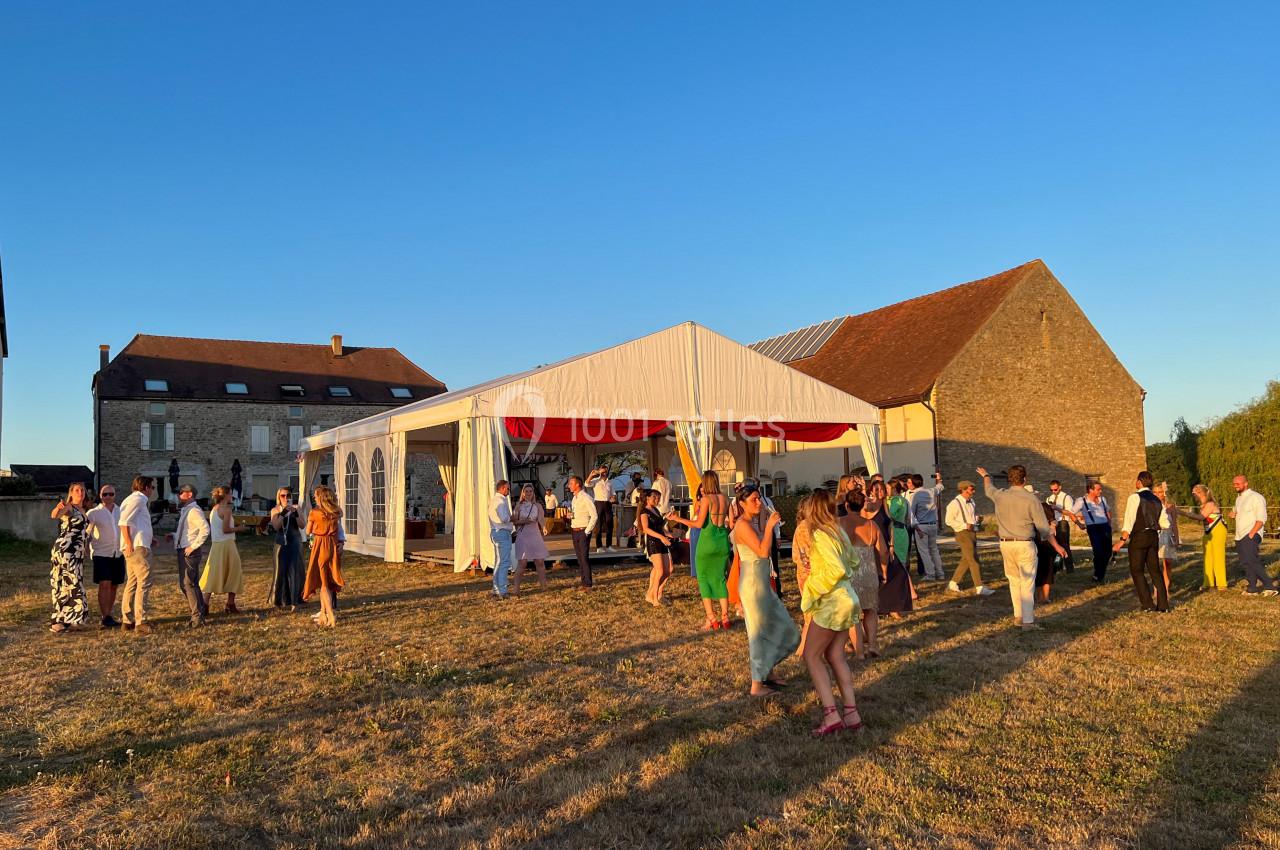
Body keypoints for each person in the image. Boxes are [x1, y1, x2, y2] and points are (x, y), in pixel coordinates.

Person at [799, 488, 863, 734]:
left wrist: (813, 586)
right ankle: (851, 711)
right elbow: (853, 562)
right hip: (848, 598)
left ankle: (831, 714)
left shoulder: (820, 535)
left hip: (832, 601)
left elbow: (834, 569)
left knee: (811, 656)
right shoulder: (838, 532)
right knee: (836, 655)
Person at [978, 465, 1066, 629]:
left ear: (1009, 479)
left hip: (1005, 544)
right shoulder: (1031, 499)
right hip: (1025, 543)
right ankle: (1027, 621)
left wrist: (986, 475)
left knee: (1013, 581)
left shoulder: (1000, 495)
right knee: (1027, 583)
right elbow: (1044, 529)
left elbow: (988, 488)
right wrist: (1057, 546)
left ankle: (1018, 616)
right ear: (1025, 479)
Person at [732, 482, 800, 696]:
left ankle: (768, 672)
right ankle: (756, 685)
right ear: (742, 503)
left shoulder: (753, 521)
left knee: (778, 624)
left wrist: (769, 524)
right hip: (752, 584)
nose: (759, 502)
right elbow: (762, 552)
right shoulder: (742, 525)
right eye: (753, 499)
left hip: (760, 581)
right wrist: (770, 527)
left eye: (759, 498)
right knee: (758, 632)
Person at [667, 471, 731, 629]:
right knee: (721, 579)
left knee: (703, 578)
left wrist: (677, 519)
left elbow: (698, 524)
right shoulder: (726, 498)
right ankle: (725, 616)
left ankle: (711, 618)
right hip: (722, 541)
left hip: (707, 541)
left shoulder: (706, 500)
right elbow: (731, 521)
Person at [837, 489, 888, 659]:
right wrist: (884, 572)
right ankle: (872, 645)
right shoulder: (872, 525)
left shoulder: (838, 524)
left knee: (854, 615)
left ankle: (859, 651)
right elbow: (883, 553)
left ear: (846, 505)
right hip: (868, 573)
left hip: (848, 574)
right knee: (870, 610)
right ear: (862, 506)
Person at [1113, 470, 1173, 610]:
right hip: (1153, 537)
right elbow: (1166, 524)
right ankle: (1163, 605)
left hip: (1139, 536)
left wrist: (1122, 540)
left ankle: (1147, 604)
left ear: (1139, 482)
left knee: (1137, 570)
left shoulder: (1135, 497)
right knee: (1155, 571)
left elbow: (1129, 521)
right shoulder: (1157, 500)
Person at [48, 482, 91, 633]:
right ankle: (58, 621)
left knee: (73, 582)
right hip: (65, 549)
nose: (80, 492)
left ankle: (70, 619)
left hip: (77, 551)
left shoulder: (83, 509)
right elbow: (55, 515)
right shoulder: (69, 507)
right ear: (71, 493)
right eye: (77, 490)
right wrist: (57, 509)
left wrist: (85, 548)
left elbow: (84, 533)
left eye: (82, 490)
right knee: (66, 583)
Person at [118, 475, 157, 635]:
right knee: (144, 582)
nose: (153, 491)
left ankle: (127, 620)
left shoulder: (131, 499)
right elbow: (124, 522)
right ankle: (140, 621)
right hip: (137, 548)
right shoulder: (139, 499)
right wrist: (129, 543)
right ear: (146, 487)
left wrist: (149, 537)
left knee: (133, 582)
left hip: (137, 545)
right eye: (152, 487)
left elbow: (135, 523)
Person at [202, 485, 248, 613]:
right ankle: (230, 603)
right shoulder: (226, 509)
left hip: (216, 545)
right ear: (225, 495)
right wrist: (240, 528)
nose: (232, 496)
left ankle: (205, 604)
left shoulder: (214, 509)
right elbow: (226, 529)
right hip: (227, 544)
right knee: (234, 571)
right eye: (230, 494)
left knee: (214, 572)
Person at [85, 483, 124, 628]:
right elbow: (87, 532)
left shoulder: (121, 511)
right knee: (105, 583)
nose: (108, 497)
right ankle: (105, 616)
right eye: (104, 494)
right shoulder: (94, 513)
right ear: (100, 496)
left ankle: (110, 614)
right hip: (101, 553)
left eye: (111, 494)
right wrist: (85, 547)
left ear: (115, 495)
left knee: (114, 585)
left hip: (118, 552)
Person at [304, 485, 344, 626]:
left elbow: (308, 531)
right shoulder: (336, 512)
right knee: (325, 580)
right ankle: (323, 614)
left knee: (324, 585)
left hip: (321, 546)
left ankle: (331, 615)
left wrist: (314, 528)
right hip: (332, 546)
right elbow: (339, 530)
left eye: (316, 495)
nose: (314, 497)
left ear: (320, 497)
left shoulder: (314, 513)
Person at [945, 480, 992, 596]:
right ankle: (979, 587)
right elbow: (948, 521)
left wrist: (977, 519)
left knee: (966, 560)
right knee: (973, 560)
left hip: (972, 533)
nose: (974, 491)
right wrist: (964, 525)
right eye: (971, 489)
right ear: (963, 489)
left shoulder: (972, 502)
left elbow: (971, 516)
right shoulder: (954, 504)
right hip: (962, 533)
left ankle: (953, 583)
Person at [174, 484, 211, 627]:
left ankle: (197, 617)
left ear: (190, 494)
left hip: (189, 552)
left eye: (181, 492)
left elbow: (205, 529)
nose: (179, 495)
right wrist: (174, 537)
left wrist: (193, 546)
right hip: (184, 548)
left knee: (188, 584)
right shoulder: (186, 510)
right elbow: (187, 532)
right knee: (189, 584)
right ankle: (200, 611)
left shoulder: (194, 511)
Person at [1229, 475, 1272, 595]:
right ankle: (1252, 587)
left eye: (1238, 483)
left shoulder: (1256, 497)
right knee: (1245, 562)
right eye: (1234, 484)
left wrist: (1252, 533)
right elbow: (1239, 514)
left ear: (1246, 483)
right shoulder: (1238, 499)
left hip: (1251, 534)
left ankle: (1270, 586)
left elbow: (1261, 518)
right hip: (1239, 535)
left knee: (1252, 560)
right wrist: (1233, 515)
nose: (1235, 485)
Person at [267, 487, 306, 610]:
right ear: (279, 497)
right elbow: (276, 526)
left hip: (294, 541)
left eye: (288, 495)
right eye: (283, 496)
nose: (286, 498)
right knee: (280, 571)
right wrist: (283, 513)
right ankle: (279, 600)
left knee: (295, 570)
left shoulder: (296, 508)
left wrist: (294, 513)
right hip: (281, 543)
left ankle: (295, 600)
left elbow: (302, 524)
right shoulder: (275, 510)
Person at [907, 472, 945, 581]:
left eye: (910, 482)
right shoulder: (931, 491)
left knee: (924, 551)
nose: (908, 485)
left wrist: (915, 527)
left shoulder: (914, 495)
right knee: (934, 550)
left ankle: (930, 574)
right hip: (933, 524)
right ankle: (940, 573)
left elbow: (911, 514)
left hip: (921, 526)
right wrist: (939, 478)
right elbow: (940, 486)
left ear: (914, 484)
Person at [637, 489, 673, 606]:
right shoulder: (644, 511)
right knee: (660, 570)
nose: (657, 500)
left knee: (668, 571)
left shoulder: (656, 510)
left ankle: (652, 593)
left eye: (658, 497)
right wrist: (661, 537)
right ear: (647, 498)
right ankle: (654, 598)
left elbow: (660, 526)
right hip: (653, 542)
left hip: (661, 541)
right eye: (655, 497)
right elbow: (646, 529)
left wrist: (668, 534)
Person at [512, 483, 549, 594]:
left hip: (535, 534)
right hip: (523, 535)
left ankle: (544, 586)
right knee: (522, 563)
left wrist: (544, 527)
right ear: (523, 493)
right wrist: (524, 521)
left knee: (540, 561)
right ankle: (516, 588)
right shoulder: (518, 505)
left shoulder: (537, 506)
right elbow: (514, 521)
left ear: (533, 493)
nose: (528, 493)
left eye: (530, 491)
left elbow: (541, 519)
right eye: (526, 491)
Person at [1189, 484, 1228, 590]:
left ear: (1203, 493)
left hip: (1218, 529)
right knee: (1208, 557)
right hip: (1208, 531)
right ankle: (1208, 582)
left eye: (1196, 492)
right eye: (1193, 493)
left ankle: (1222, 583)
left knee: (1218, 556)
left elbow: (1201, 517)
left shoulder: (1210, 504)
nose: (1194, 495)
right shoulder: (1203, 505)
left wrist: (1182, 513)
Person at [1077, 482, 1114, 582]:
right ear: (1091, 490)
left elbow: (1107, 510)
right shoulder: (1082, 501)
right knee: (1098, 551)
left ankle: (1100, 572)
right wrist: (1079, 523)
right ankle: (1098, 575)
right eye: (1098, 489)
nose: (1100, 491)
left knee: (1108, 552)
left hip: (1105, 526)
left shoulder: (1103, 499)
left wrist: (1109, 523)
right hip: (1093, 527)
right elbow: (1072, 512)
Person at [792, 496, 815, 656]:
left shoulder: (805, 526)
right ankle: (803, 649)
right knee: (811, 613)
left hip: (806, 573)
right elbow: (806, 555)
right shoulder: (805, 528)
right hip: (809, 575)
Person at [567, 476, 597, 591]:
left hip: (583, 530)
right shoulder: (574, 498)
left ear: (578, 485)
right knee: (579, 558)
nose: (569, 485)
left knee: (584, 558)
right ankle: (583, 582)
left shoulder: (586, 497)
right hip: (574, 530)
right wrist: (570, 516)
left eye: (571, 483)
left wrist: (587, 531)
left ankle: (588, 584)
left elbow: (594, 515)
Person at [488, 480, 514, 599]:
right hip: (502, 532)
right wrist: (513, 517)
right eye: (508, 489)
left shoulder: (495, 500)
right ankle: (502, 590)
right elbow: (504, 518)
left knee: (499, 562)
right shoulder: (500, 501)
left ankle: (496, 588)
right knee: (504, 562)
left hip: (497, 532)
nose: (509, 491)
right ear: (502, 488)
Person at [1044, 480, 1078, 573]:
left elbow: (1071, 513)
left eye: (1055, 489)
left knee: (1064, 545)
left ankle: (1069, 568)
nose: (1053, 492)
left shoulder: (1066, 497)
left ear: (1060, 487)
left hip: (1062, 522)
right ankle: (1056, 568)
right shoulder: (1049, 498)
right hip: (1052, 524)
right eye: (1051, 490)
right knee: (1053, 545)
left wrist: (1057, 508)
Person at [1155, 482, 1180, 597]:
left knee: (1167, 563)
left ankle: (1166, 588)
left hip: (1168, 535)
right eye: (1154, 492)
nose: (1157, 494)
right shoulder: (1152, 505)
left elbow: (1174, 524)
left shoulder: (1170, 507)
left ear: (1164, 493)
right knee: (1155, 564)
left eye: (1159, 492)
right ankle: (1156, 588)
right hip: (1156, 535)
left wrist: (1177, 538)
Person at [585, 466, 616, 552]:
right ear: (600, 472)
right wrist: (591, 475)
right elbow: (586, 484)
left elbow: (613, 493)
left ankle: (609, 545)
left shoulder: (610, 482)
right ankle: (599, 547)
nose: (604, 473)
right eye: (602, 471)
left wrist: (613, 497)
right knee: (598, 525)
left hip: (608, 503)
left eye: (605, 471)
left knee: (609, 524)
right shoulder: (596, 481)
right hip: (598, 503)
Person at [1034, 500, 1059, 602]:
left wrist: (1052, 527)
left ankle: (1045, 596)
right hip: (1033, 540)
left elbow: (1053, 520)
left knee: (1047, 568)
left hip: (1045, 540)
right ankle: (1040, 596)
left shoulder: (1043, 506)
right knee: (1037, 570)